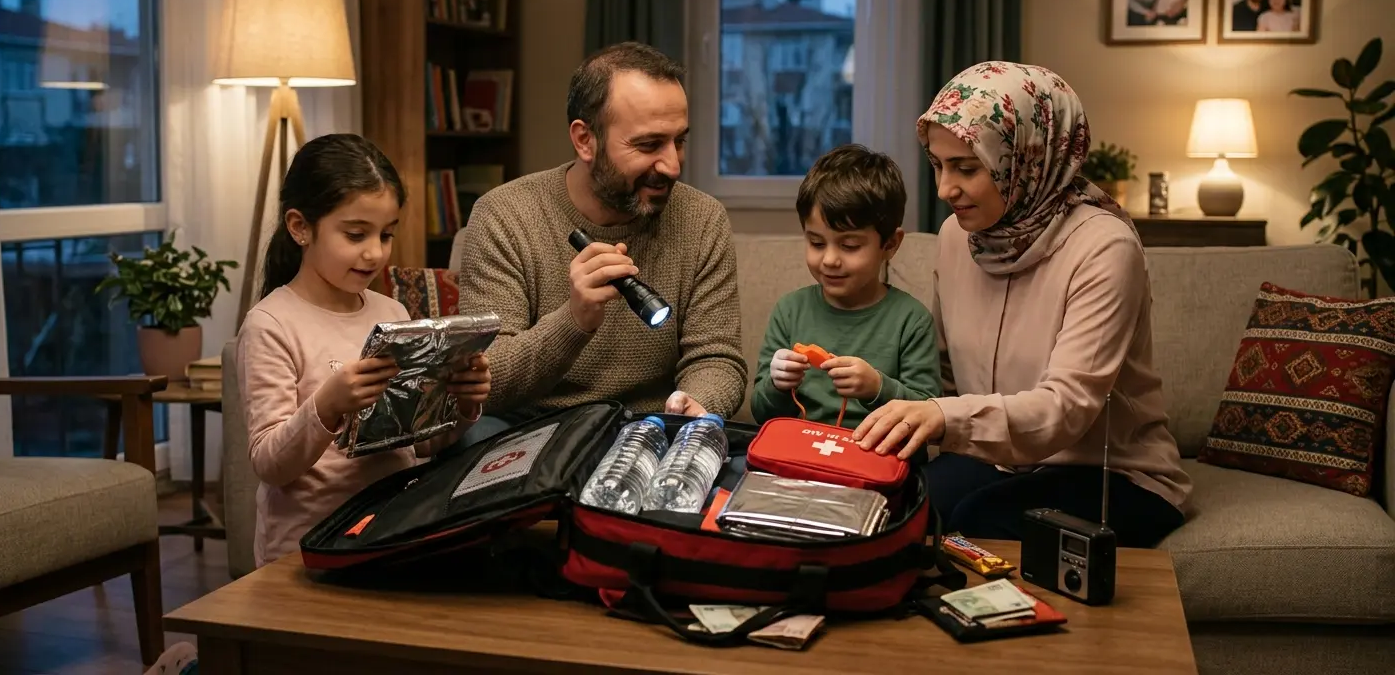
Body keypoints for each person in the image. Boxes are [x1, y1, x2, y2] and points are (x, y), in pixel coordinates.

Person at [852, 61, 1191, 548]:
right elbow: (945, 375)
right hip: (998, 461)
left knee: (977, 520)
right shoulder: (956, 237)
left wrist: (947, 420)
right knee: (895, 509)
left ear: (1028, 158)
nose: (945, 189)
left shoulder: (1104, 249)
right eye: (938, 165)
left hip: (1112, 476)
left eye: (966, 168)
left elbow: (1066, 408)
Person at [457, 42, 747, 430]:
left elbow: (717, 358)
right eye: (649, 144)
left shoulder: (701, 219)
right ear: (585, 140)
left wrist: (695, 403)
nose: (673, 165)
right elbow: (485, 384)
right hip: (530, 434)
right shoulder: (505, 216)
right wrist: (574, 320)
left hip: (649, 429)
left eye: (679, 141)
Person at [236, 134, 491, 566]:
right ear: (300, 227)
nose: (374, 253)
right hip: (307, 548)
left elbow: (419, 446)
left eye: (386, 235)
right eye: (355, 235)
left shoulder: (391, 311)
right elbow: (269, 465)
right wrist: (327, 405)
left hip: (392, 529)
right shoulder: (271, 324)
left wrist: (463, 402)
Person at [752, 144, 941, 429]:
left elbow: (927, 417)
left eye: (849, 246)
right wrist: (776, 384)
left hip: (876, 458)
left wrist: (878, 387)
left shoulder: (912, 321)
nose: (829, 260)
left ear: (890, 244)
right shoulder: (789, 311)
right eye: (816, 243)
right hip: (800, 456)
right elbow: (761, 413)